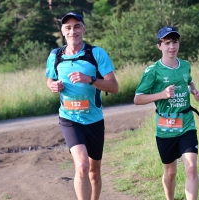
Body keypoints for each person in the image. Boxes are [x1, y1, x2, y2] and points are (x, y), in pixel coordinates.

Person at [45, 12, 119, 200]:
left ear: (84, 29)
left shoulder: (96, 54)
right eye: (68, 27)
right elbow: (49, 79)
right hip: (70, 119)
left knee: (94, 171)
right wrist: (53, 86)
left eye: (77, 26)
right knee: (82, 165)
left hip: (94, 119)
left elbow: (114, 87)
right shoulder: (56, 55)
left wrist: (90, 79)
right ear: (62, 31)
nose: (73, 31)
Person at [134, 26, 199, 200]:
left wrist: (194, 91)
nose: (172, 46)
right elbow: (138, 99)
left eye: (175, 42)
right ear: (160, 46)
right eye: (168, 43)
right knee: (170, 172)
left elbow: (189, 80)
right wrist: (161, 95)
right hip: (165, 128)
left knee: (191, 167)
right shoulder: (153, 71)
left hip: (186, 123)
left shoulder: (185, 65)